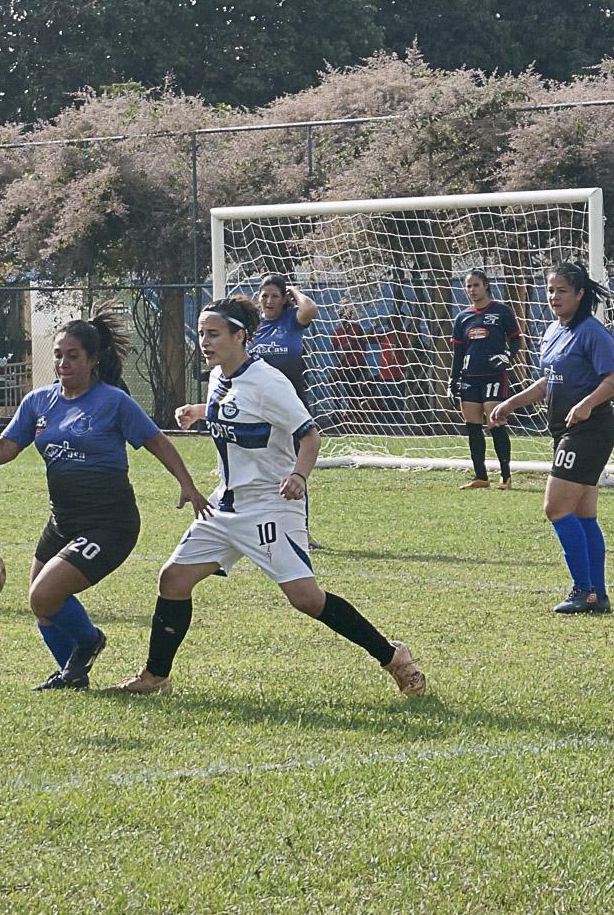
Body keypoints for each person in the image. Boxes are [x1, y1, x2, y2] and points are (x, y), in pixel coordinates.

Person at [104, 296, 427, 698]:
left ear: (240, 336)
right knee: (172, 580)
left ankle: (394, 657)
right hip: (224, 505)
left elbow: (309, 434)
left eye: (214, 334)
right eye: (202, 333)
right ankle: (155, 677)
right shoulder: (219, 376)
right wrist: (200, 411)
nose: (204, 341)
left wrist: (298, 474)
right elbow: (236, 409)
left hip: (270, 504)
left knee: (306, 599)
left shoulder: (270, 382)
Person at [0, 304, 208, 684]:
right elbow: (6, 447)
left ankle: (90, 641)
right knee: (44, 605)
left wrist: (187, 484)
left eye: (72, 356)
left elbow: (158, 442)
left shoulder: (113, 402)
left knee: (43, 596)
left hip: (109, 525)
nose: (63, 363)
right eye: (58, 355)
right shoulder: (38, 402)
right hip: (62, 522)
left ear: (93, 360)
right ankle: (72, 675)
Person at [490, 263, 614, 615]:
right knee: (583, 514)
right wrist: (511, 402)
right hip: (566, 431)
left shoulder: (592, 332)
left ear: (580, 295)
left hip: (589, 432)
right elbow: (548, 382)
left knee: (554, 508)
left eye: (562, 290)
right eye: (550, 290)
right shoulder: (552, 331)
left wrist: (586, 404)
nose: (554, 297)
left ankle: (584, 590)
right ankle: (598, 594)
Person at [449, 268, 522, 489]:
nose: (472, 289)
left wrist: (507, 355)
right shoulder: (463, 318)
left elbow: (516, 341)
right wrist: (453, 380)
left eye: (476, 285)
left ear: (486, 286)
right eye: (469, 286)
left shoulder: (501, 311)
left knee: (495, 422)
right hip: (469, 378)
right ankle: (480, 477)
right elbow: (459, 353)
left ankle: (506, 476)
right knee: (472, 426)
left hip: (494, 376)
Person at [251, 273, 318, 403]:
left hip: (291, 398)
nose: (269, 301)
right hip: (257, 399)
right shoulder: (251, 323)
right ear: (258, 298)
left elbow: (310, 308)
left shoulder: (292, 318)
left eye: (275, 296)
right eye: (265, 296)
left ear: (283, 299)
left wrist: (293, 291)